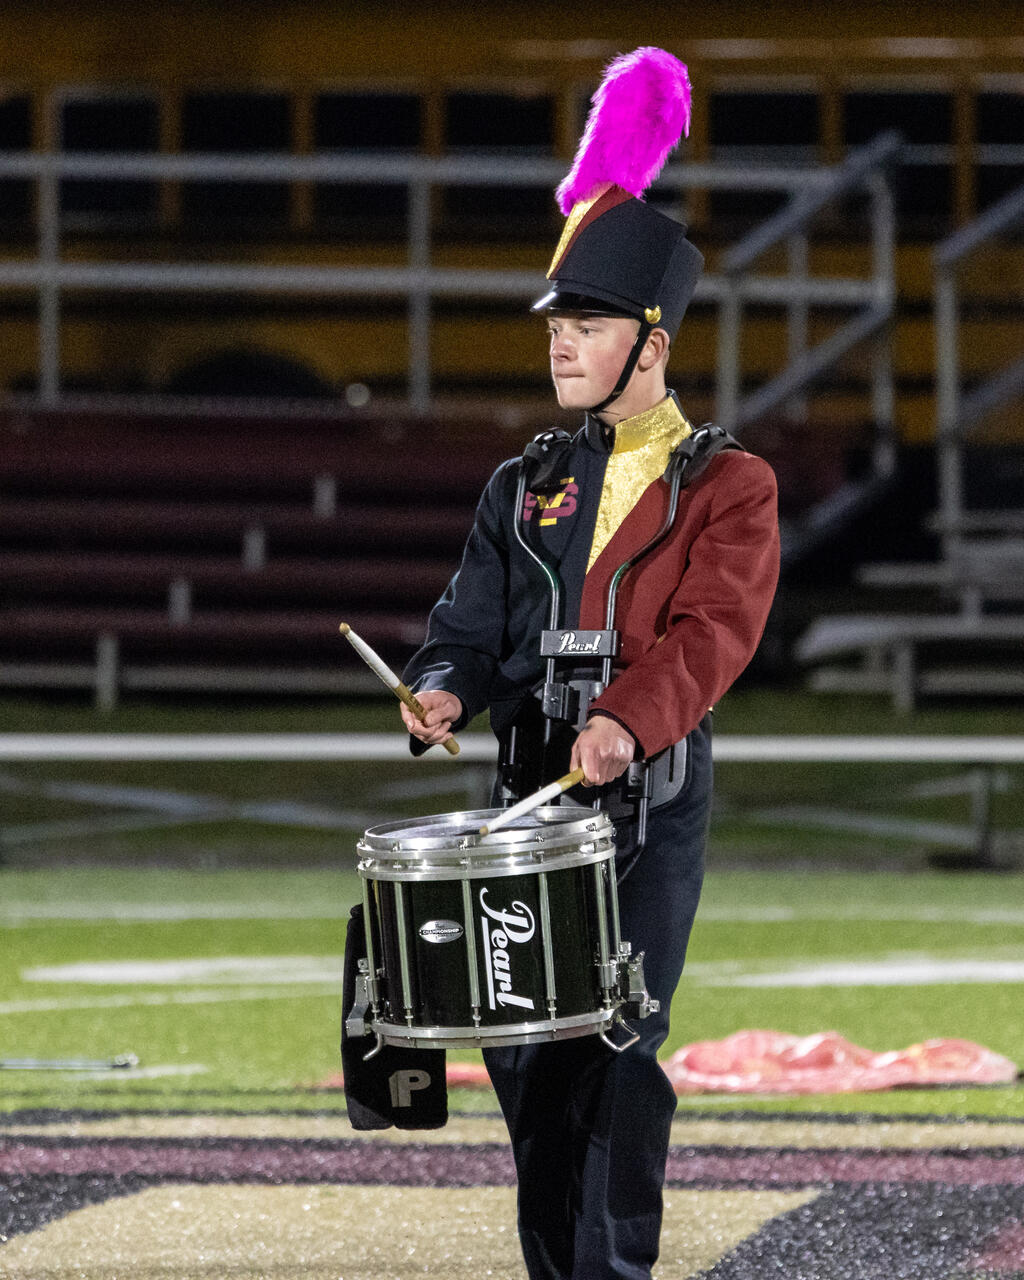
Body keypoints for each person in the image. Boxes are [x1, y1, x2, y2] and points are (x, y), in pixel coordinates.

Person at [399, 48, 780, 1280]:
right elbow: (470, 621)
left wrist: (624, 717)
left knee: (612, 1039)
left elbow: (712, 631)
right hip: (525, 792)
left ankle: (611, 1271)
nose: (562, 346)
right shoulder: (525, 483)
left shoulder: (728, 483)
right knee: (518, 1047)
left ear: (651, 343)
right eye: (558, 326)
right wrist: (442, 685)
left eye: (589, 326)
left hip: (642, 797)